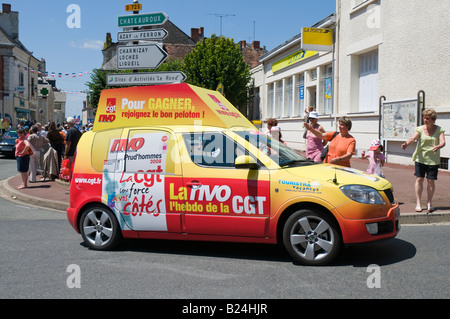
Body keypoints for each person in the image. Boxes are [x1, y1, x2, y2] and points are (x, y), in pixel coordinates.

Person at [401, 109, 446, 212]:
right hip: (420, 158)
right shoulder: (420, 129)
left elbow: (443, 142)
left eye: (427, 118)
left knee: (430, 181)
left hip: (433, 160)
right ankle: (418, 203)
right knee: (419, 179)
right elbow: (413, 138)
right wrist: (406, 143)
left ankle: (429, 202)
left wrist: (438, 146)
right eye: (424, 117)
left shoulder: (439, 130)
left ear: (433, 120)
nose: (425, 120)